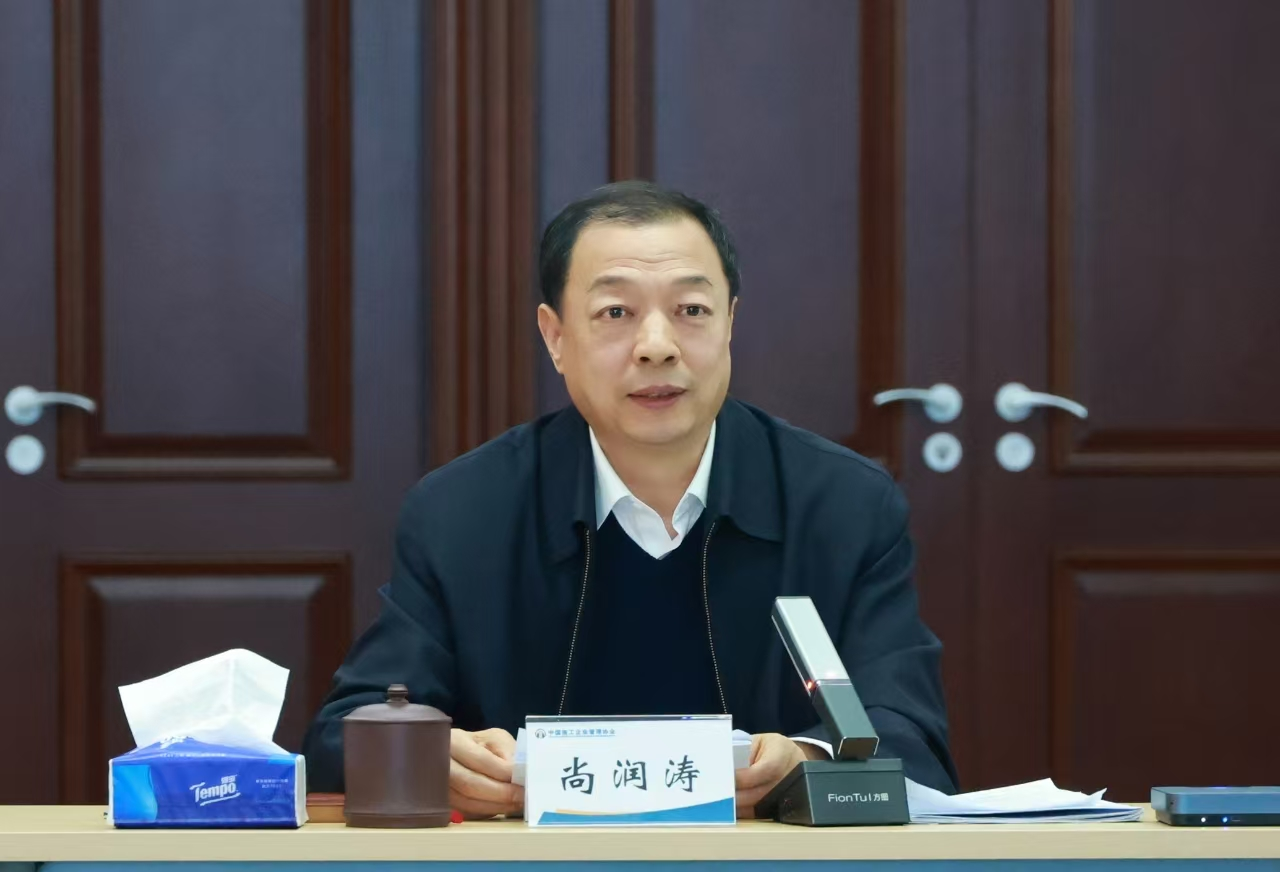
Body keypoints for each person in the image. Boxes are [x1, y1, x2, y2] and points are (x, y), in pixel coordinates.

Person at [303, 181, 958, 817]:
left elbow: (911, 738)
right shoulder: (462, 513)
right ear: (556, 337)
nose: (657, 347)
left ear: (730, 323)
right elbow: (342, 736)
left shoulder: (844, 505)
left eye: (691, 311)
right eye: (615, 313)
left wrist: (808, 762)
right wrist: (431, 758)